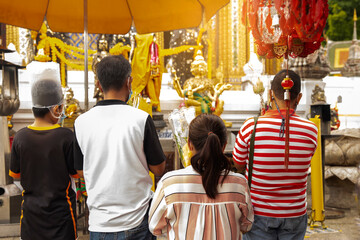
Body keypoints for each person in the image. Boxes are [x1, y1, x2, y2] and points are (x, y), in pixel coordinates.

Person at [74, 55, 166, 239]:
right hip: (137, 219)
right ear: (129, 81)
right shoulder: (140, 119)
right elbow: (158, 169)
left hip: (99, 223)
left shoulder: (81, 122)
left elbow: (80, 171)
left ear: (98, 84)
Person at [233, 70, 318, 240]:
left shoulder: (251, 127)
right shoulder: (311, 130)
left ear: (270, 94)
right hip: (295, 213)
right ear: (299, 98)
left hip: (258, 213)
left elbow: (238, 164)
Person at [149, 114, 253, 240]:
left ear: (189, 144)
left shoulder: (169, 184)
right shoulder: (239, 184)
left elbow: (155, 227)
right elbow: (246, 225)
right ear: (224, 145)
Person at [10, 77, 78, 240]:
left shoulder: (21, 137)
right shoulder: (66, 137)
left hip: (31, 220)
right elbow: (76, 174)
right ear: (56, 108)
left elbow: (16, 175)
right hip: (61, 220)